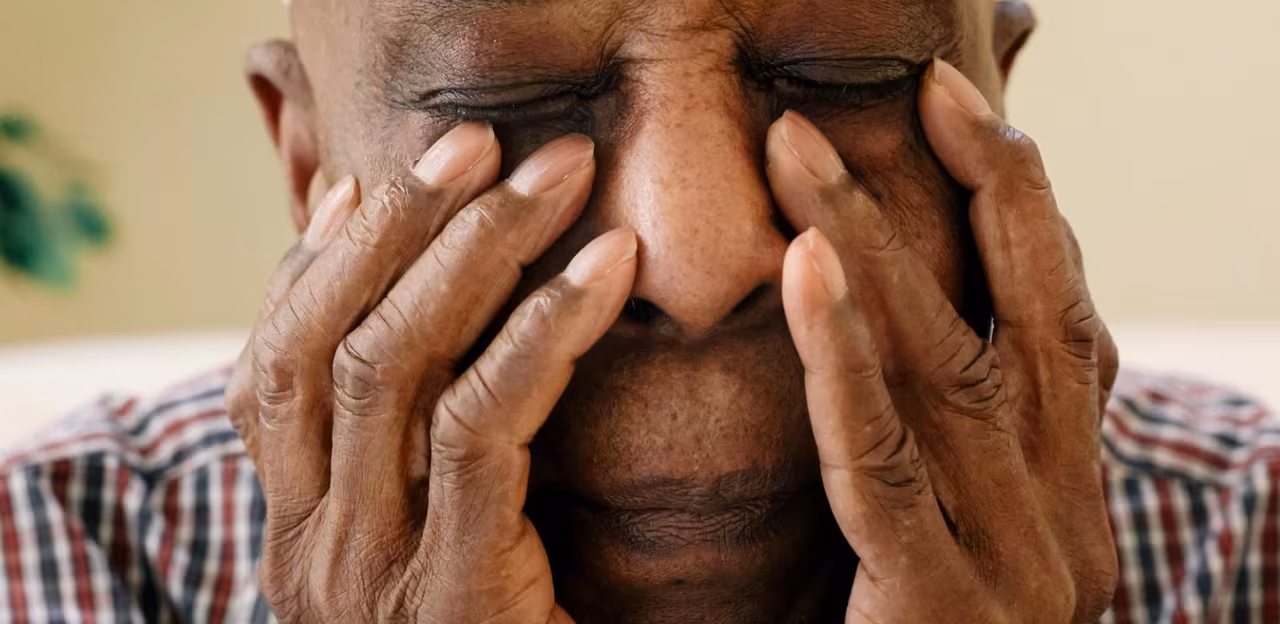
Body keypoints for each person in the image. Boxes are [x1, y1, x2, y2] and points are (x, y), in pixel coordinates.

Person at [1, 0, 1275, 621]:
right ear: (306, 169)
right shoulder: (60, 562)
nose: (696, 260)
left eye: (846, 74)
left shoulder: (1246, 543)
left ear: (993, 110)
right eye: (500, 94)